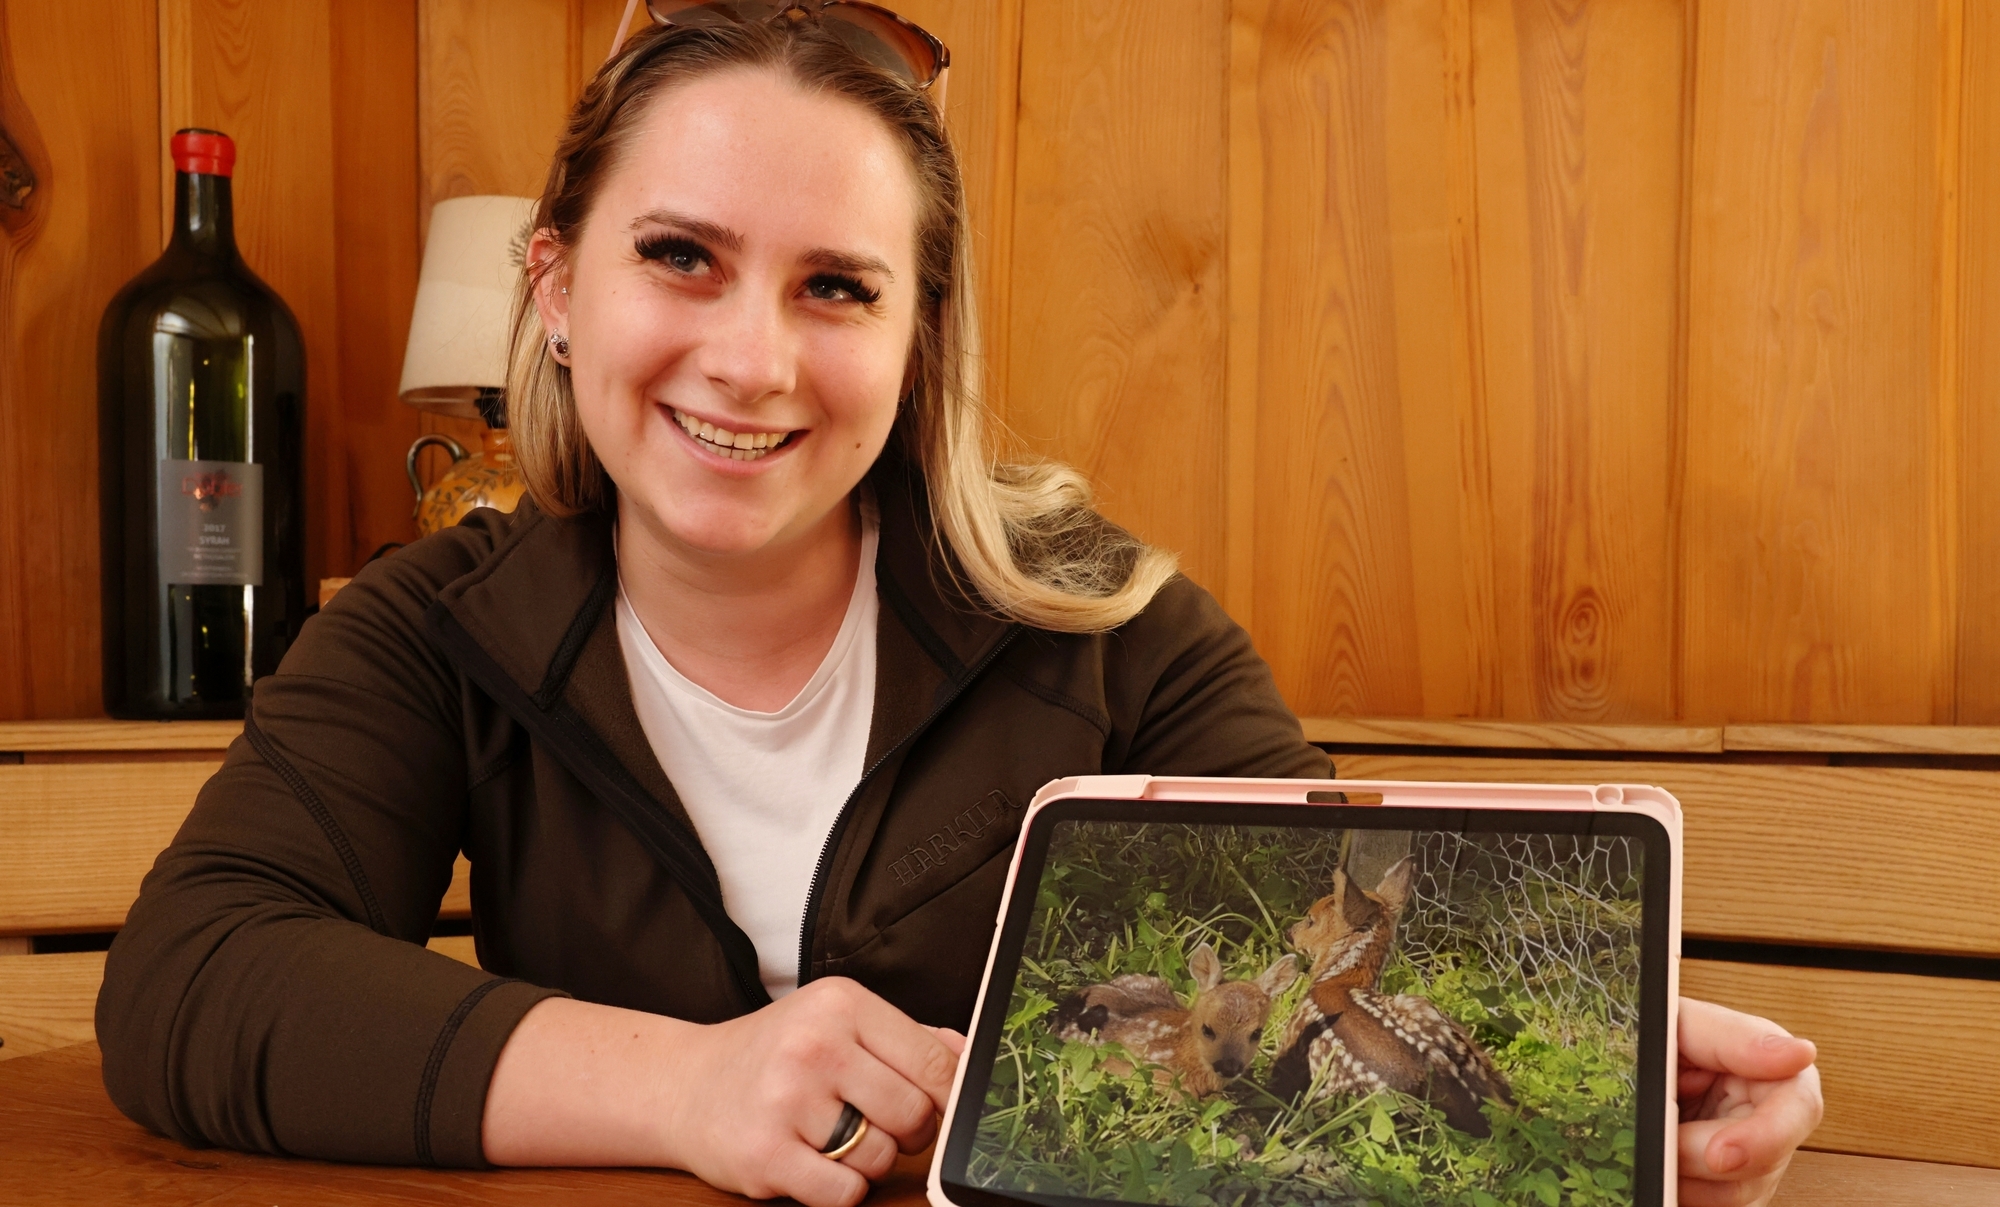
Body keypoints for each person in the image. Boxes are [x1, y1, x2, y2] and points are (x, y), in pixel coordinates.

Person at [97, 10, 1821, 1207]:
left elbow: (1322, 966)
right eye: (679, 255)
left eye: (837, 287)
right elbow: (192, 977)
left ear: (918, 341)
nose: (751, 360)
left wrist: (1613, 1080)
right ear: (554, 287)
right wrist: (690, 1086)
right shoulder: (431, 628)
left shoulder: (1112, 630)